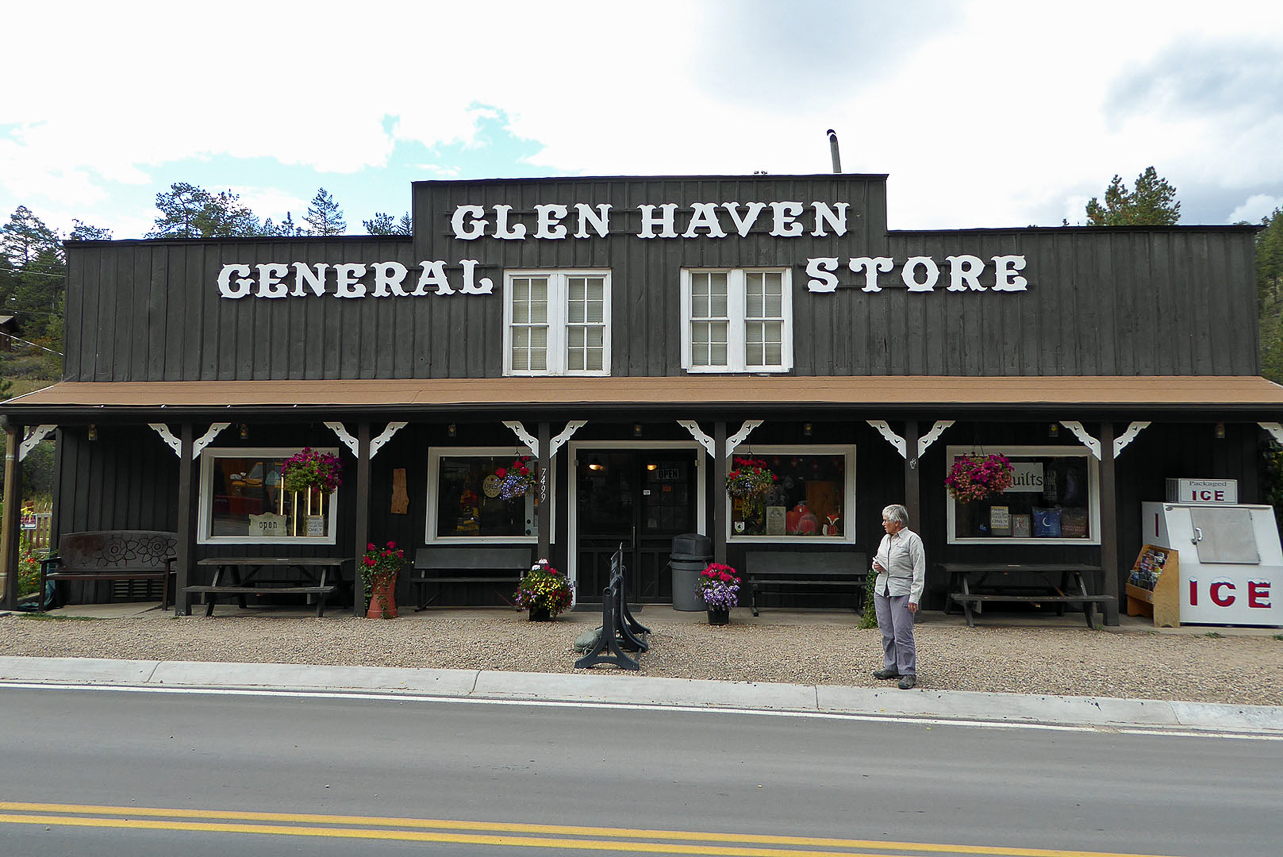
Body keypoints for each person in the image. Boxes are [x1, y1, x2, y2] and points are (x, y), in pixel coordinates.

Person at [871, 503, 925, 689]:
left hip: (902, 590)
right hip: (882, 589)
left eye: (886, 520)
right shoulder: (886, 539)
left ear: (897, 522)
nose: (883, 523)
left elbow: (919, 570)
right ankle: (891, 666)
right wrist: (876, 566)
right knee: (887, 633)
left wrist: (914, 596)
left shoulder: (912, 540)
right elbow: (877, 560)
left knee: (902, 633)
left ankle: (908, 672)